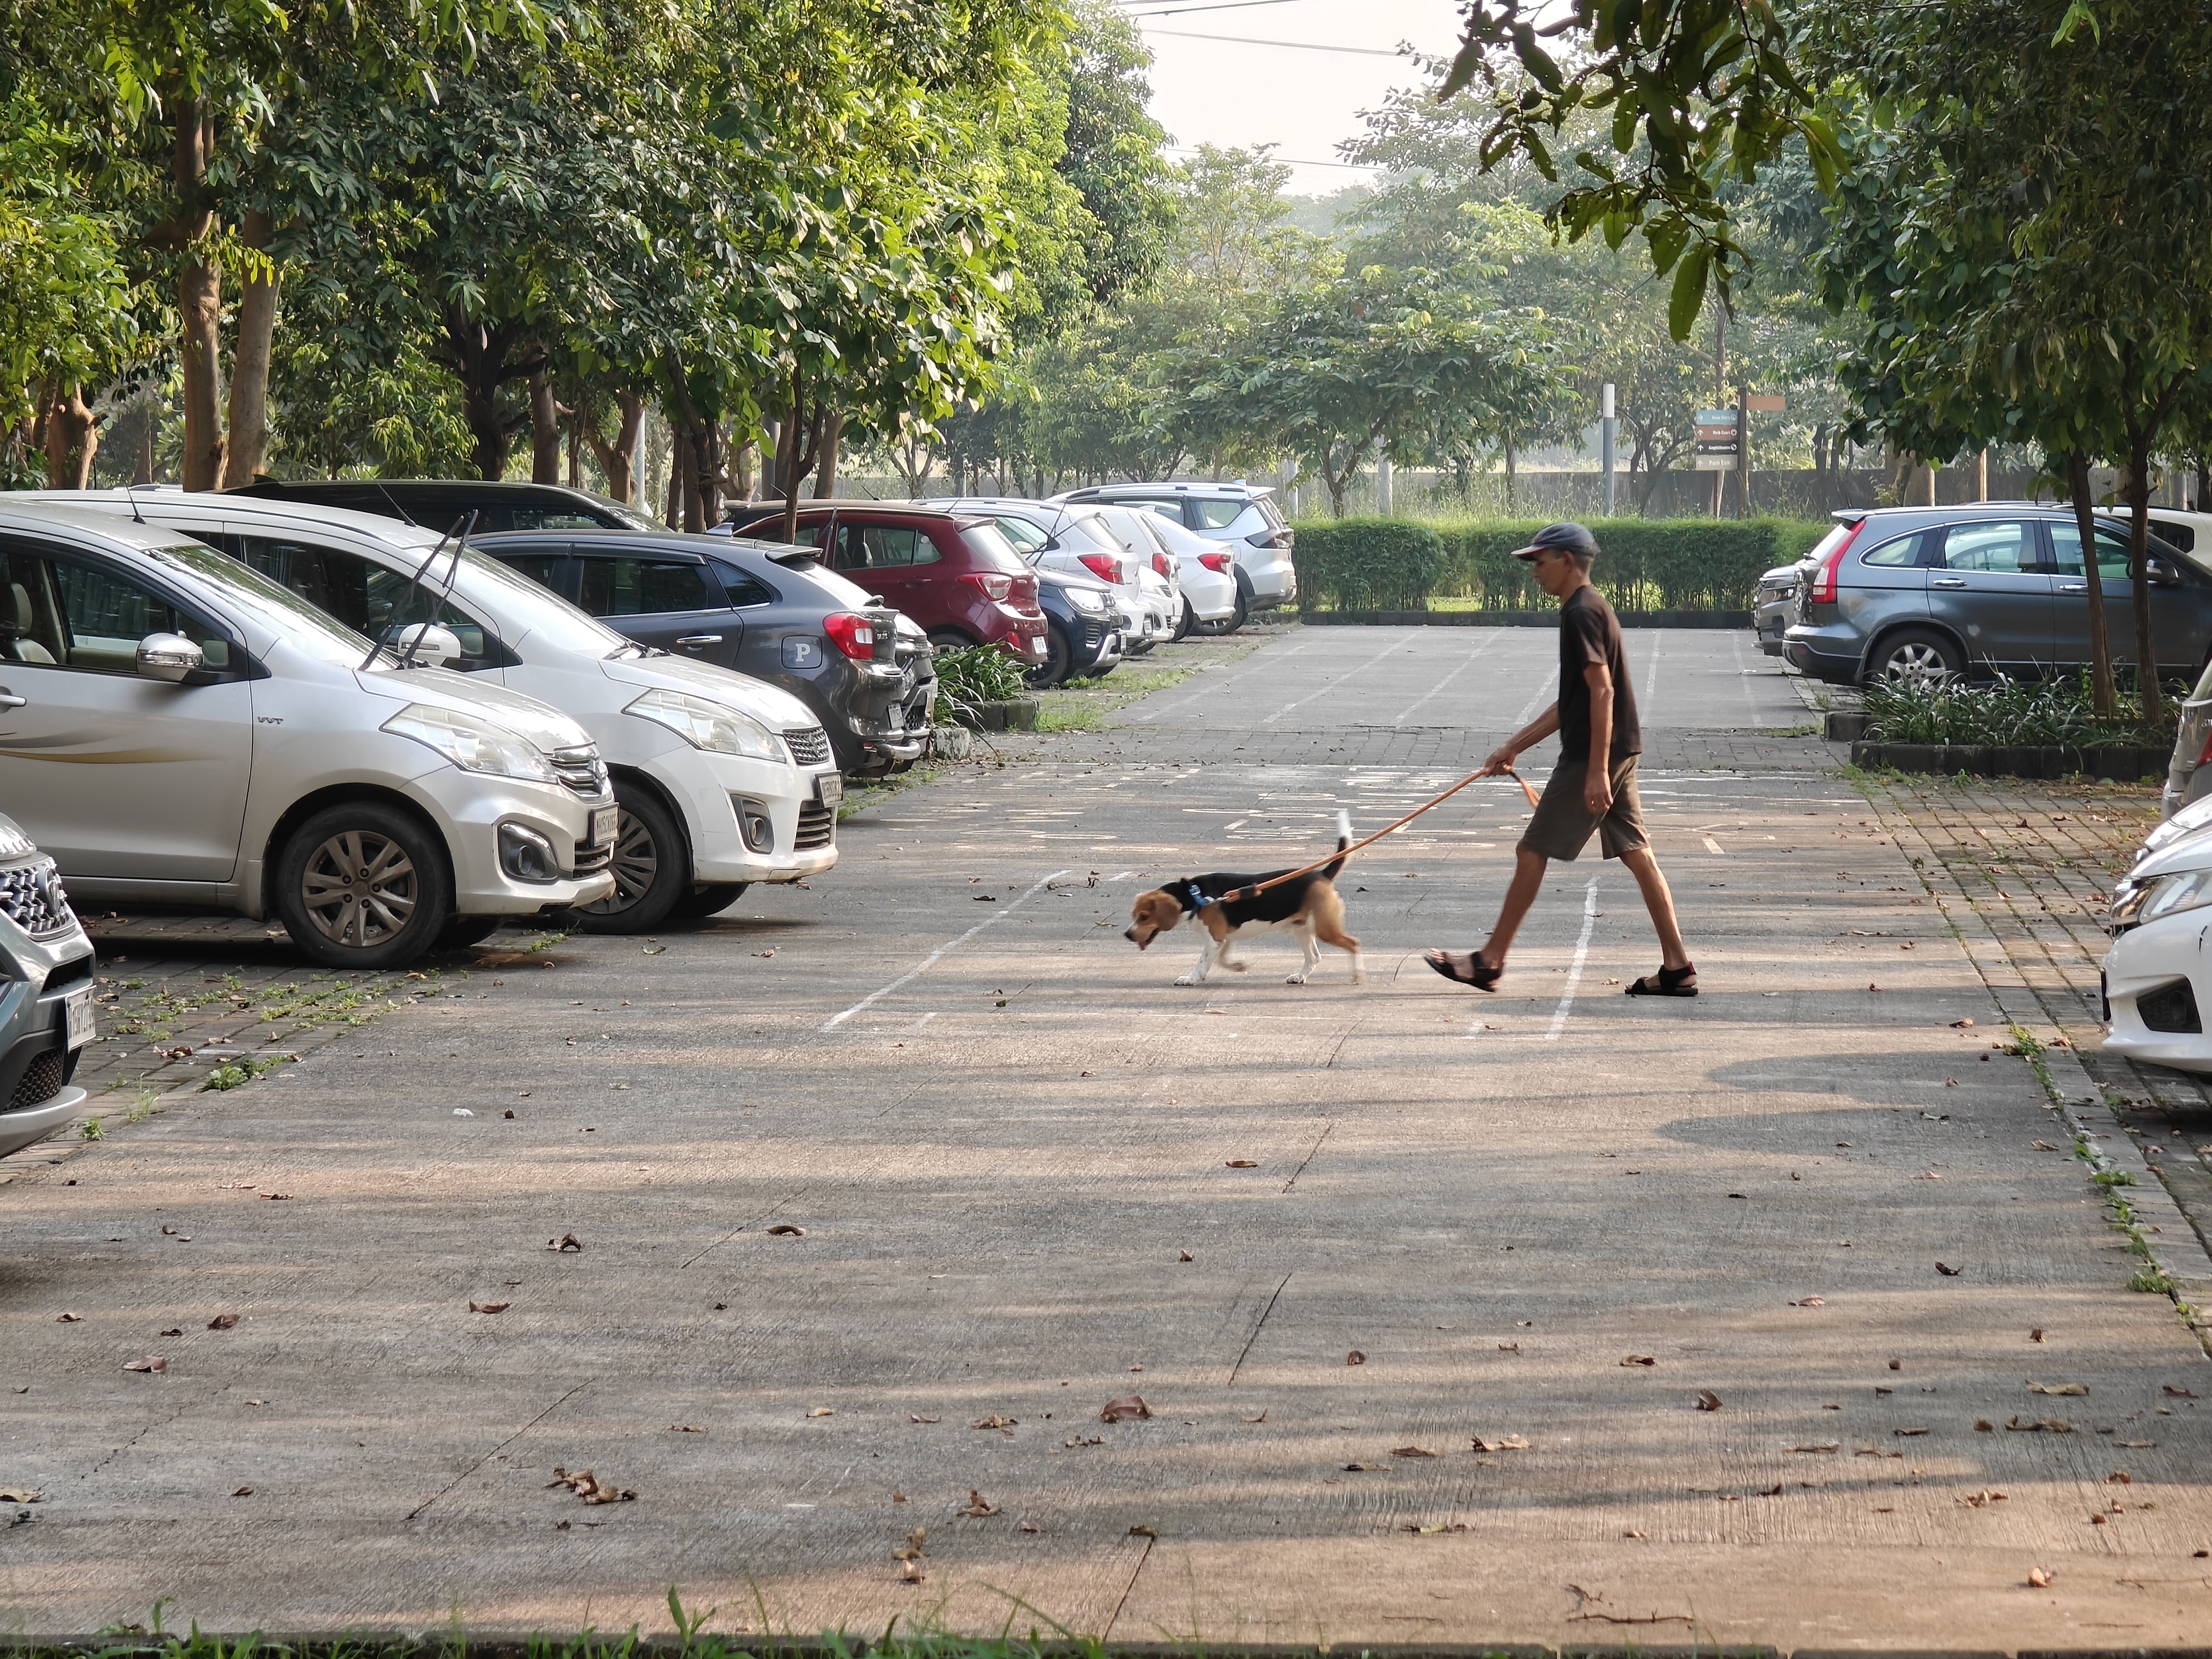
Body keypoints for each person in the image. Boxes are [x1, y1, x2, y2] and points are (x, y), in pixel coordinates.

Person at [1423, 521, 1696, 997]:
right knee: (1637, 853)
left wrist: (1594, 772)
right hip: (1619, 748)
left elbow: (1603, 692)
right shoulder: (1587, 608)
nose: (1534, 571)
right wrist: (1514, 745)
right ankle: (1677, 967)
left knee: (1531, 850)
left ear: (1567, 561)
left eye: (1540, 560)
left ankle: (1489, 961)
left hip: (1597, 755)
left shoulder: (1582, 613)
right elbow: (1571, 700)